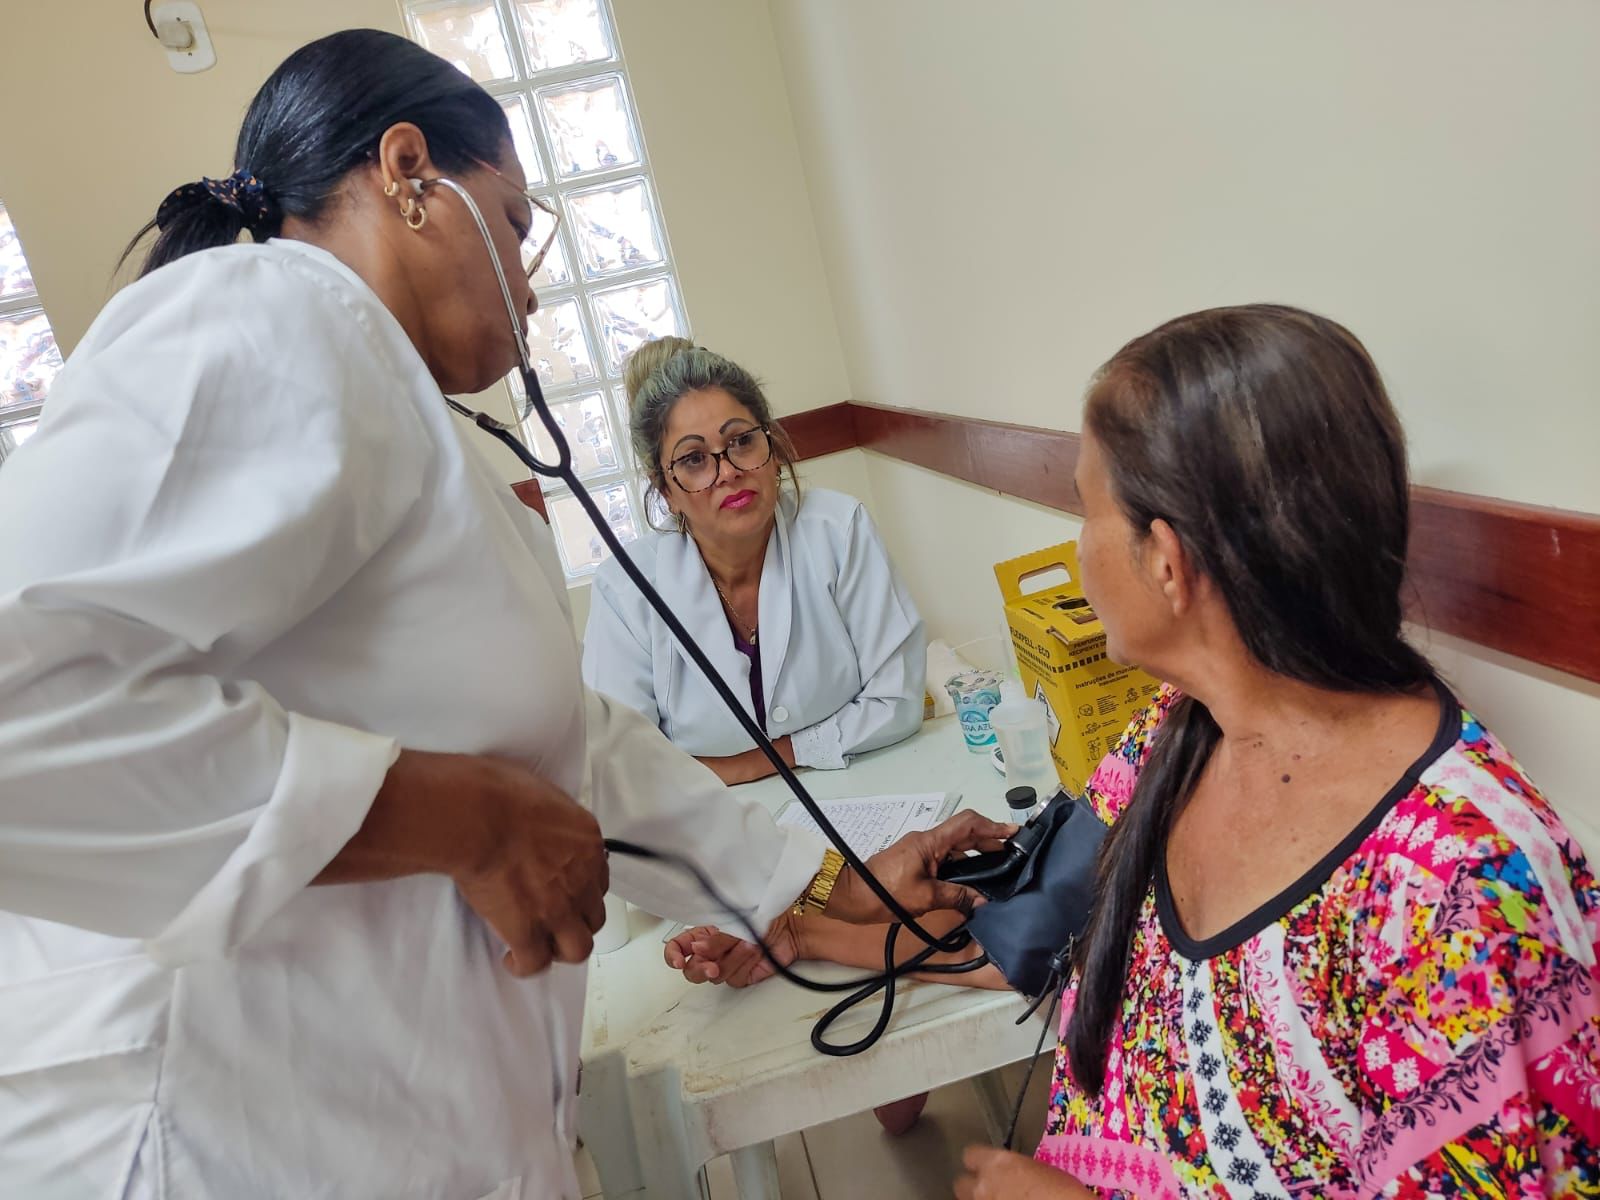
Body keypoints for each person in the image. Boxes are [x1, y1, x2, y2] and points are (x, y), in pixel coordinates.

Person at [0, 30, 1012, 1199]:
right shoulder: (279, 319)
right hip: (212, 1139)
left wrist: (816, 884)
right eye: (520, 224)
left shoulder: (413, 423)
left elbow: (571, 747)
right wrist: (457, 819)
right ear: (409, 170)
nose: (530, 285)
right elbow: (23, 706)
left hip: (379, 1128)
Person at [670, 305, 1600, 1198]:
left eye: (1086, 513)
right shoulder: (1182, 730)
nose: (1077, 555)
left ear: (1167, 558)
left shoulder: (1462, 896)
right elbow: (1041, 924)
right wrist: (806, 931)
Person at [583, 337, 926, 785]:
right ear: (665, 491)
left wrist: (758, 762)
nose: (727, 471)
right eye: (693, 459)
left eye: (742, 441)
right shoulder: (625, 591)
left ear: (774, 449)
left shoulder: (837, 531)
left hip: (867, 788)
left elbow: (898, 701)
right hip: (711, 828)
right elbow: (622, 767)